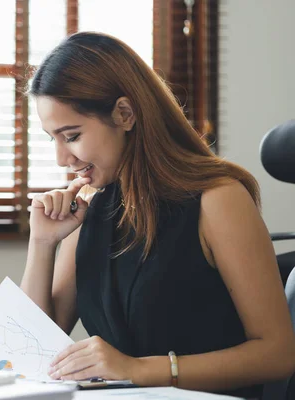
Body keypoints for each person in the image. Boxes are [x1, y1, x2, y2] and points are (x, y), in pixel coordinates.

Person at [20, 32, 295, 398]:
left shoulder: (218, 198)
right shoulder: (92, 206)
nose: (60, 158)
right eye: (50, 138)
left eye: (71, 136)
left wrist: (137, 370)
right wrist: (42, 243)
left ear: (124, 114)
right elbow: (33, 347)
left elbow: (277, 355)